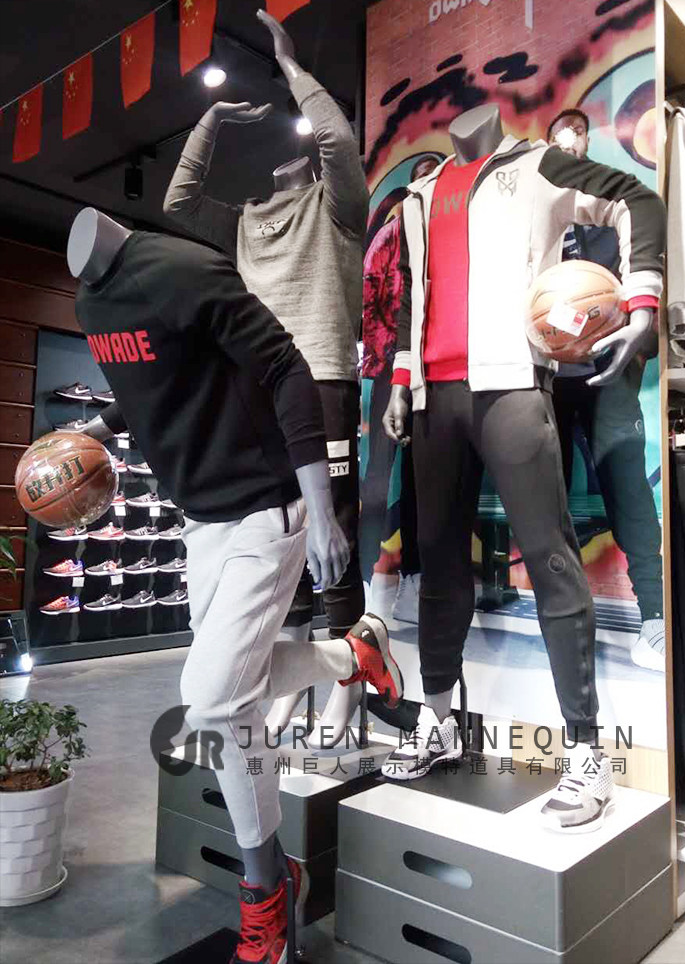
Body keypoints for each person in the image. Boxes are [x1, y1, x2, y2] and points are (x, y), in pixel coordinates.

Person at [69, 207, 403, 964]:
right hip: (200, 519)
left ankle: (267, 893)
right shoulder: (93, 304)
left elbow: (286, 368)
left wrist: (322, 510)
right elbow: (158, 379)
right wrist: (96, 431)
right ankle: (353, 656)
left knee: (215, 702)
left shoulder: (186, 270)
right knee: (235, 689)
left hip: (265, 508)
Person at [381, 102, 666, 832]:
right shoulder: (421, 192)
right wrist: (403, 380)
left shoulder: (537, 164)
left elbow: (635, 197)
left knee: (551, 559)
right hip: (434, 400)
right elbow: (416, 295)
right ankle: (439, 723)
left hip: (510, 385)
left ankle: (586, 754)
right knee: (439, 565)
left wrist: (641, 299)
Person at [163, 10, 368, 742]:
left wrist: (290, 65)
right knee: (279, 537)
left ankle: (350, 676)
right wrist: (210, 122)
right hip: (255, 396)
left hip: (322, 381)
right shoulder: (246, 221)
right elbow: (177, 203)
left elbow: (337, 140)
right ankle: (298, 671)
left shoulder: (338, 208)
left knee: (333, 533)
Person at [547, 108, 665, 672]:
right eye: (562, 138)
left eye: (579, 137)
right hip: (548, 375)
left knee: (628, 487)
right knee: (548, 495)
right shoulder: (540, 215)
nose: (571, 146)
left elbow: (626, 287)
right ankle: (565, 614)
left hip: (606, 370)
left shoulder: (613, 208)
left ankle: (654, 617)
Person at [360, 155, 440, 624]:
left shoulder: (444, 236)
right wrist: (385, 362)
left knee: (419, 481)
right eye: (421, 181)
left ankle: (412, 579)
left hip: (434, 371)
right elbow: (369, 298)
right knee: (379, 475)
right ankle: (365, 580)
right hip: (393, 365)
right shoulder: (390, 236)